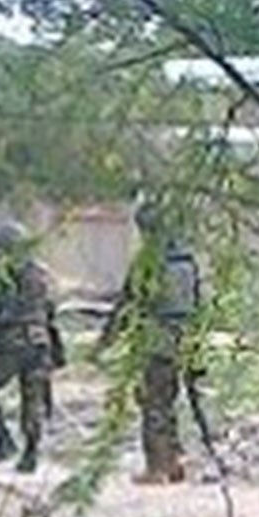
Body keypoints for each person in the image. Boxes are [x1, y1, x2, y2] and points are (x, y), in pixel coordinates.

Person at [99, 203, 201, 485]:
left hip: (156, 341)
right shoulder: (187, 261)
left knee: (152, 402)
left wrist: (105, 342)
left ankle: (157, 467)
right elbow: (198, 304)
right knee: (168, 400)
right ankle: (174, 458)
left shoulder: (148, 262)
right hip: (184, 341)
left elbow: (127, 303)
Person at [0, 220, 64, 473]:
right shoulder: (41, 273)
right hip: (39, 343)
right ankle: (30, 453)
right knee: (32, 399)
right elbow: (50, 313)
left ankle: (4, 441)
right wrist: (57, 351)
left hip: (10, 343)